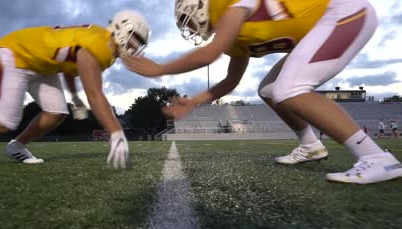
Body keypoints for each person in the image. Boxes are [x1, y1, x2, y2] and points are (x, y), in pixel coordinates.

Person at [123, 0, 402, 184]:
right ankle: (310, 146)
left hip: (346, 14)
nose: (191, 26)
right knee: (268, 89)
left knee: (289, 88)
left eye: (189, 18)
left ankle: (377, 158)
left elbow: (210, 53)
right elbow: (231, 81)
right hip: (327, 23)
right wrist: (193, 102)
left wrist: (160, 69)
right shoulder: (233, 37)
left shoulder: (231, 6)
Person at [0, 10, 150, 170]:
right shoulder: (100, 46)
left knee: (56, 112)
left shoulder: (102, 43)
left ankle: (17, 146)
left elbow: (70, 69)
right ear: (123, 28)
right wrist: (115, 132)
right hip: (16, 54)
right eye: (135, 39)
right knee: (4, 121)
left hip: (43, 65)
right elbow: (94, 93)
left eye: (139, 43)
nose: (134, 47)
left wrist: (74, 97)